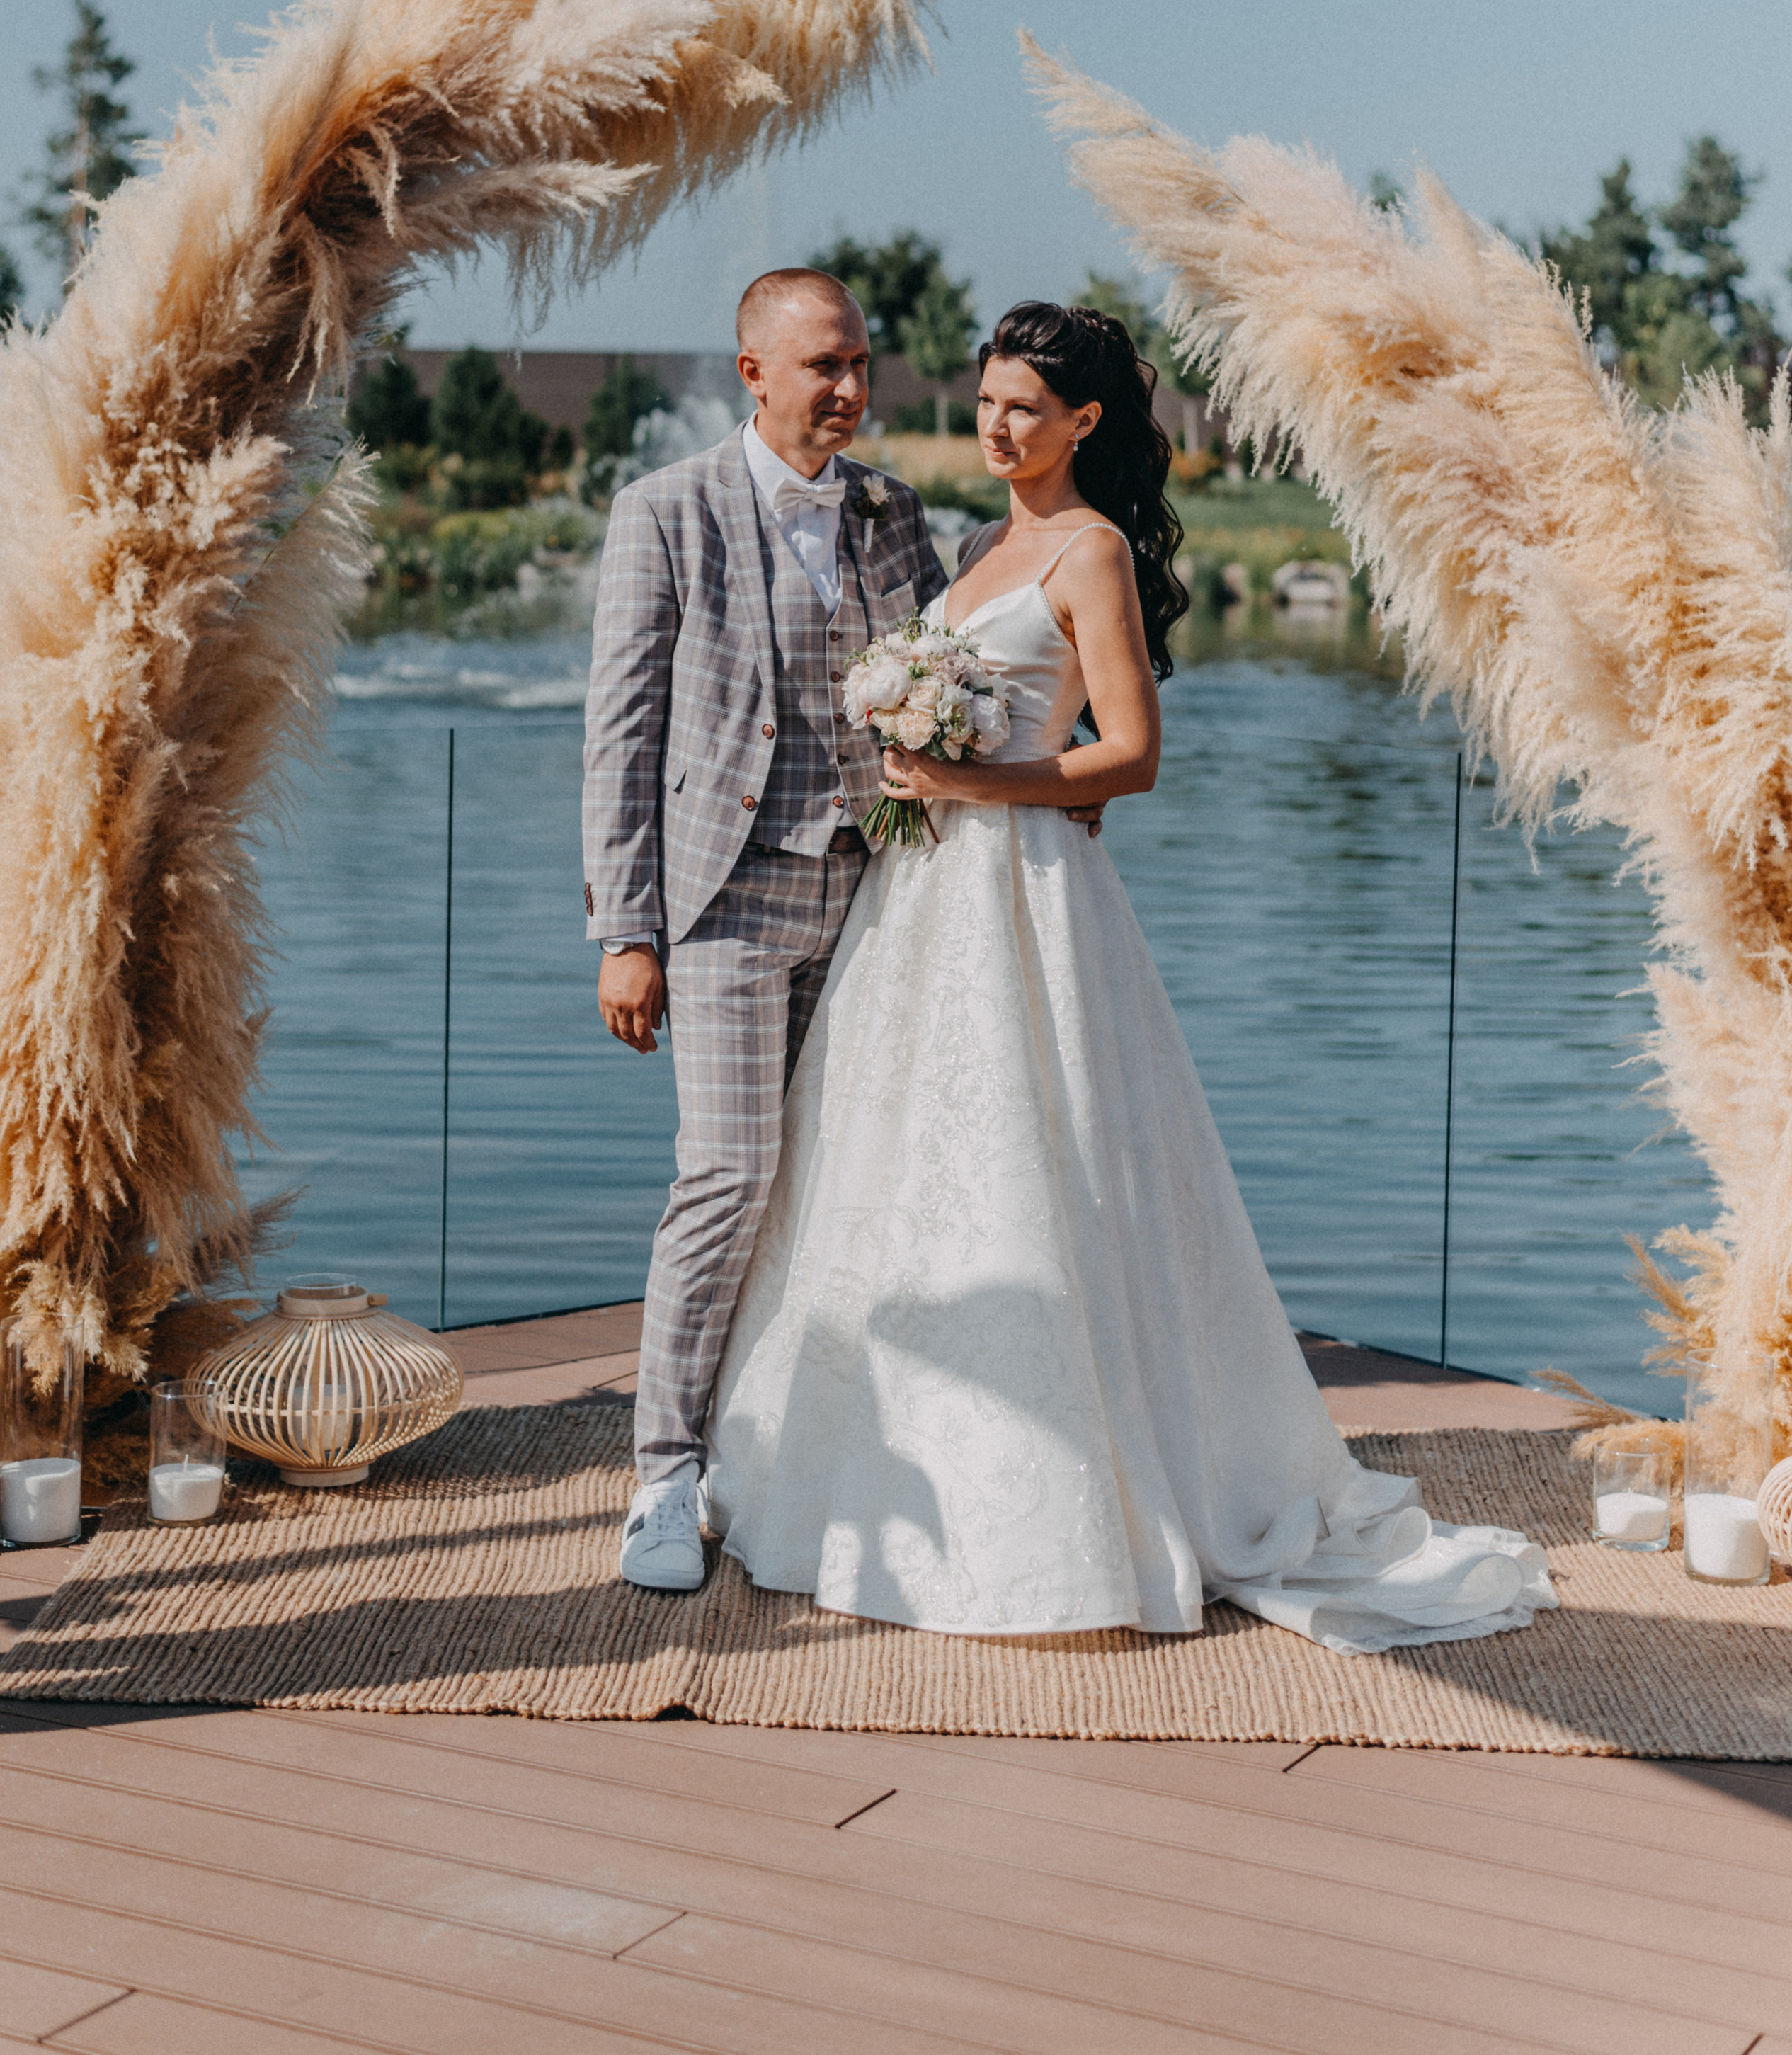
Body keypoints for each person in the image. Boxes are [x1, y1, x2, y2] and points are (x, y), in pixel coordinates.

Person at [702, 302, 1556, 1651]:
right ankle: (849, 1465)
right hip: (923, 901)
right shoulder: (982, 543)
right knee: (897, 1168)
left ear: (1084, 422)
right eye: (986, 401)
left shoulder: (1090, 553)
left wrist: (979, 780)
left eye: (1024, 408)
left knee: (1046, 1171)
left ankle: (1063, 1505)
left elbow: (1131, 755)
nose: (996, 426)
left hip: (1024, 904)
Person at [583, 269, 954, 1590]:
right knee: (728, 1175)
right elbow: (623, 736)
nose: (850, 389)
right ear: (752, 373)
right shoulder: (664, 512)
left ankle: (788, 1448)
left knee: (830, 1182)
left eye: (859, 363)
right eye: (822, 368)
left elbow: (950, 680)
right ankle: (663, 1479)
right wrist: (627, 930)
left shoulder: (895, 513)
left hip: (872, 898)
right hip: (726, 903)